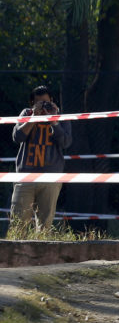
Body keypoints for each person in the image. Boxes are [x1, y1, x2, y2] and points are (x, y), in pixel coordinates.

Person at [11, 85, 72, 231]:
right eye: (39, 103)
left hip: (50, 178)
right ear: (32, 103)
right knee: (18, 223)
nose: (43, 106)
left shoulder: (60, 116)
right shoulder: (26, 113)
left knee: (45, 226)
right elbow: (17, 137)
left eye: (46, 102)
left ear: (52, 100)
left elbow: (66, 143)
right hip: (25, 177)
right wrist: (33, 117)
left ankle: (41, 254)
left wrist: (54, 121)